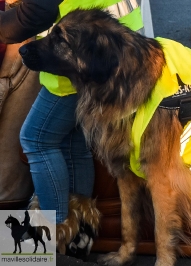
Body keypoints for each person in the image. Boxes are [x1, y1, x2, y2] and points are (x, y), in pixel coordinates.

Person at [0, 0, 144, 256]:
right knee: (73, 142)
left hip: (78, 59)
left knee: (35, 138)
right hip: (114, 48)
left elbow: (37, 12)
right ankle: (79, 239)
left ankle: (48, 242)